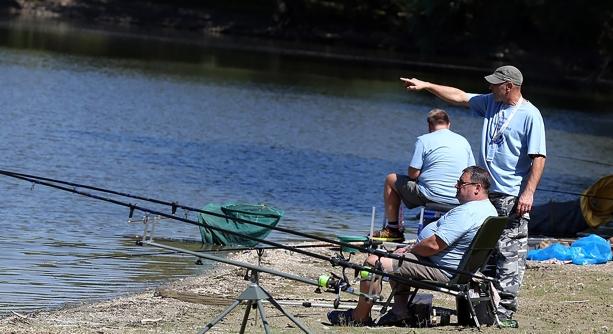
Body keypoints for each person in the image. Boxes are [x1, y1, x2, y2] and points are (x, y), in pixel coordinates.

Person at [400, 65, 546, 321]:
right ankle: (484, 307)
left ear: (508, 86)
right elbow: (459, 95)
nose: (489, 87)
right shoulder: (491, 103)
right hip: (486, 195)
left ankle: (505, 311)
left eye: (495, 84)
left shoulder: (530, 115)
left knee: (509, 253)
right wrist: (426, 85)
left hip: (512, 196)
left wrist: (529, 193)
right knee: (483, 251)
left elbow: (539, 158)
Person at [328, 166, 497, 326]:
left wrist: (410, 249)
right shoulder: (489, 210)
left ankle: (359, 317)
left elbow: (433, 245)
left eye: (461, 183)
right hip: (454, 268)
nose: (456, 185)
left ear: (477, 187)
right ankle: (400, 311)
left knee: (374, 262)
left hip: (442, 269)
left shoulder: (468, 213)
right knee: (392, 254)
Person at [373, 108, 475, 241]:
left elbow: (413, 174)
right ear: (449, 124)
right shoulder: (464, 141)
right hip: (458, 197)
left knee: (391, 179)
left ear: (429, 125)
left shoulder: (423, 140)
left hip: (431, 195)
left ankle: (393, 229)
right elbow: (471, 171)